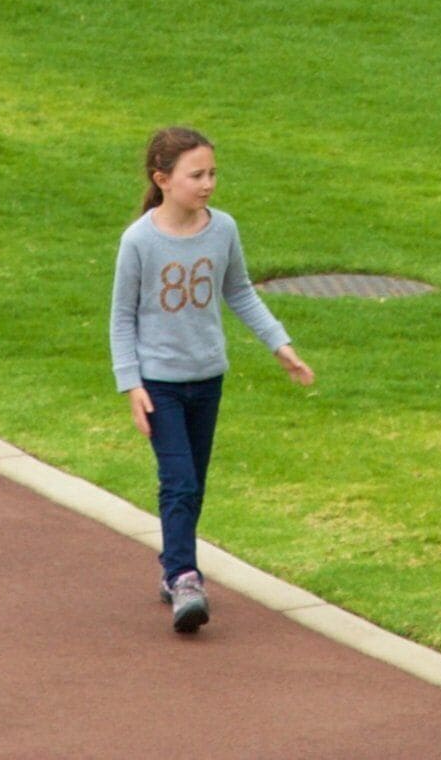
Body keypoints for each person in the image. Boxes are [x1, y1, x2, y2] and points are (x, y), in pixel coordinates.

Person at [107, 126, 314, 634]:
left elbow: (239, 291)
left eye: (212, 173)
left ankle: (173, 564)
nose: (207, 184)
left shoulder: (222, 230)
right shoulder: (139, 241)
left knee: (194, 482)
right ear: (163, 179)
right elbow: (121, 317)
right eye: (195, 175)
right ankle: (184, 577)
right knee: (177, 481)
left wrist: (280, 345)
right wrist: (131, 384)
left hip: (208, 379)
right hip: (160, 384)